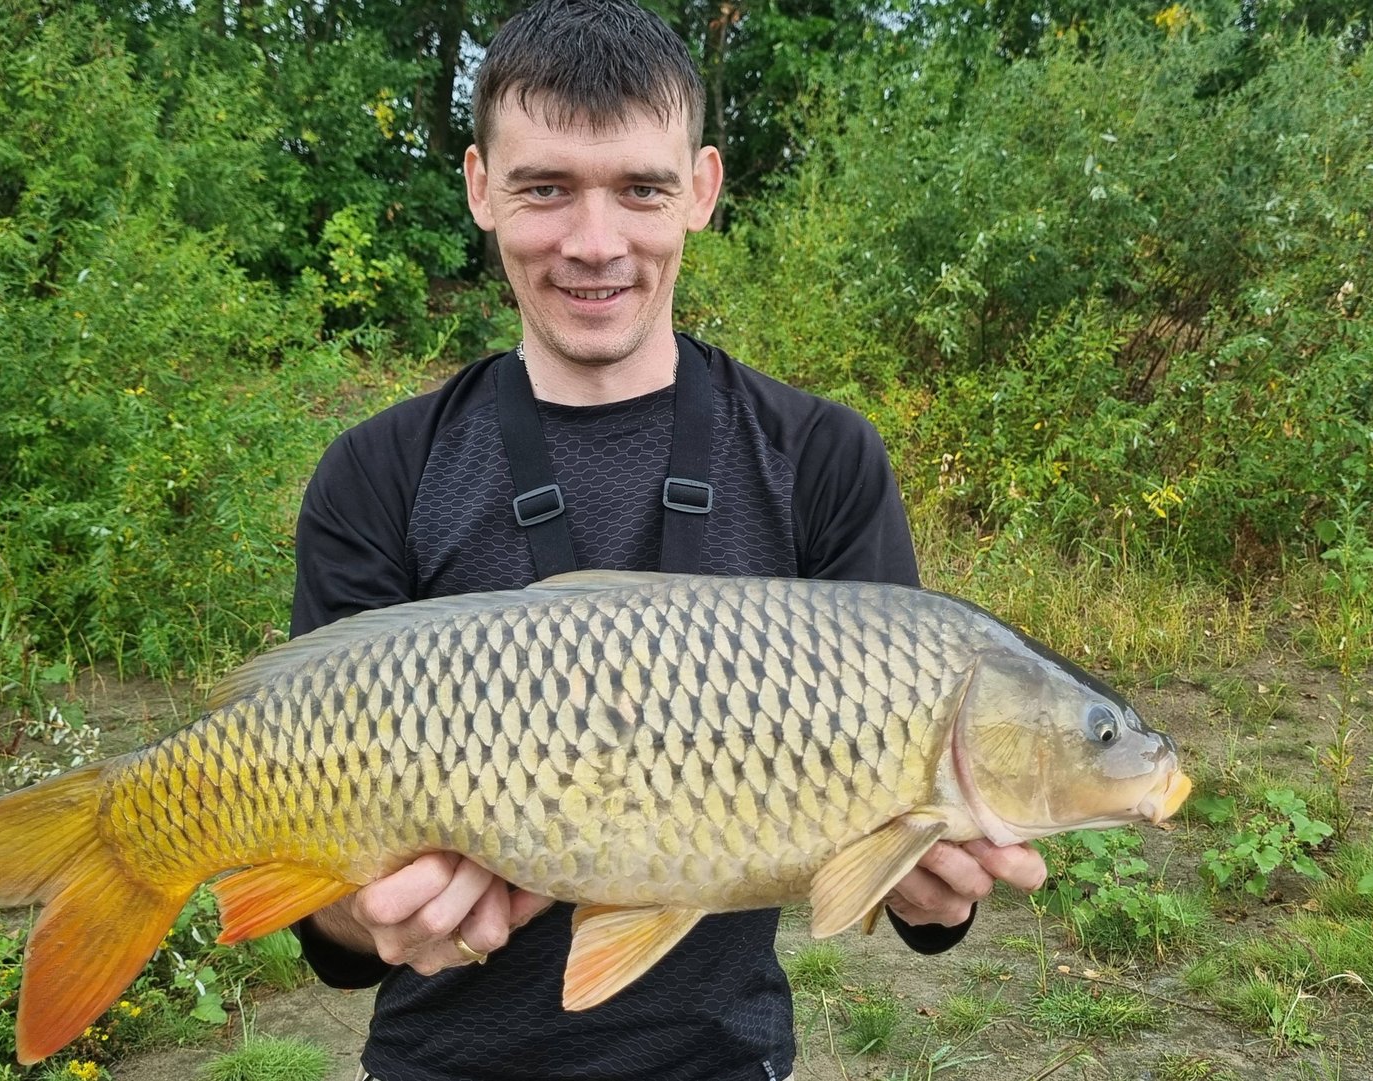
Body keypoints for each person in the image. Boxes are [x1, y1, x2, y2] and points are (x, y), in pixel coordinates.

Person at [287, 2, 1048, 1078]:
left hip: (723, 1057)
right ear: (478, 186)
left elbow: (922, 906)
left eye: (640, 189)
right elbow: (333, 944)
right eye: (546, 187)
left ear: (700, 188)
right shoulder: (380, 472)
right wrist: (364, 921)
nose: (594, 244)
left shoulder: (821, 457)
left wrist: (937, 889)